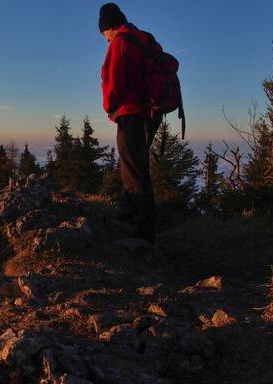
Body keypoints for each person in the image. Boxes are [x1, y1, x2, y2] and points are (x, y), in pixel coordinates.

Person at [100, 3, 162, 242]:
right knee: (136, 166)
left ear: (109, 27)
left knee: (135, 171)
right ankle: (130, 218)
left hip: (130, 113)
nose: (105, 40)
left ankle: (143, 234)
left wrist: (109, 107)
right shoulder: (145, 38)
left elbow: (112, 82)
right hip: (149, 112)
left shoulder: (120, 42)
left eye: (104, 34)